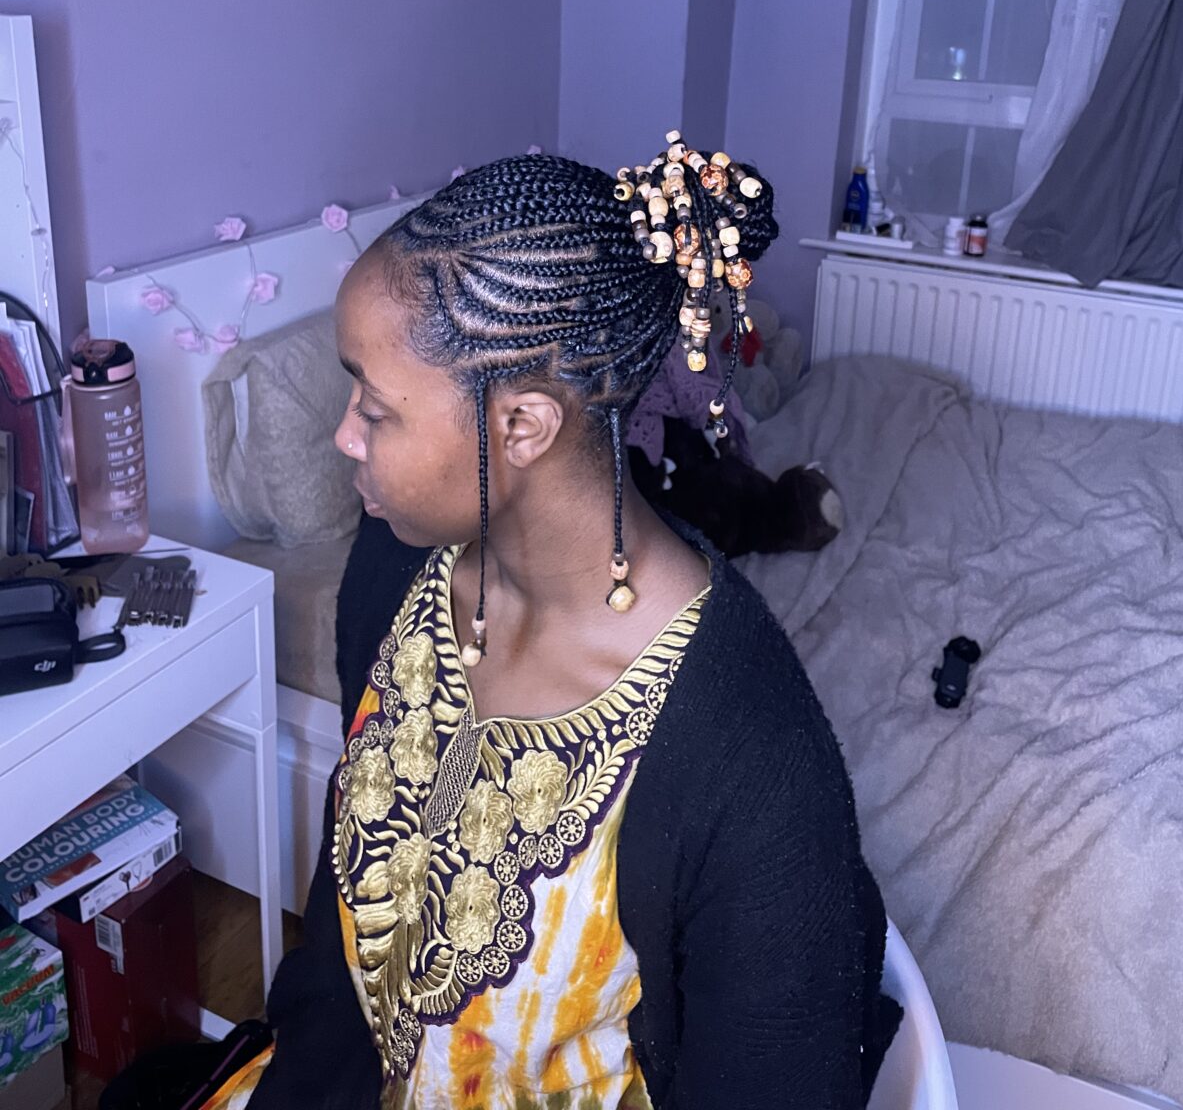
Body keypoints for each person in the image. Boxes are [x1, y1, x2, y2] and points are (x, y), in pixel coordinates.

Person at [217, 137, 897, 1110]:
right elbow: (341, 938)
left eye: (376, 407)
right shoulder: (396, 567)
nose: (344, 436)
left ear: (523, 425)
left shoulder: (754, 760)